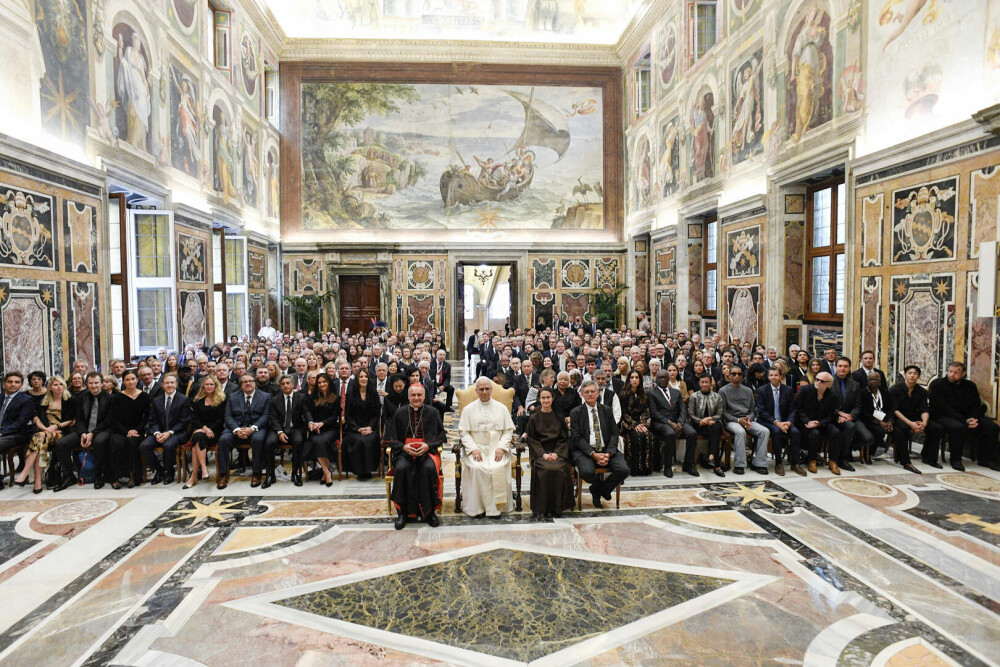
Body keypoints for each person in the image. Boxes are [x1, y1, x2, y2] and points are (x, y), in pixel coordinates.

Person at [385, 383, 445, 529]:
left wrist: (427, 446)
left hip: (427, 453)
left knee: (428, 468)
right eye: (413, 395)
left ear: (424, 396)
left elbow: (441, 435)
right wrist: (403, 447)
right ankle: (402, 513)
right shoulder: (400, 412)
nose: (416, 398)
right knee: (402, 468)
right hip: (404, 453)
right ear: (408, 397)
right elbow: (391, 438)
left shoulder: (433, 412)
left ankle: (430, 513)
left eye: (419, 395)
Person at [457, 377, 515, 518]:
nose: (484, 392)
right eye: (481, 389)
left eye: (487, 389)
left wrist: (501, 448)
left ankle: (497, 508)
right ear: (476, 391)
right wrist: (473, 449)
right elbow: (463, 432)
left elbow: (508, 431)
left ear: (491, 390)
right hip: (477, 448)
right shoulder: (468, 409)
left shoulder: (501, 408)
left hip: (497, 449)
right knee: (478, 468)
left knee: (497, 467)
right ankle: (477, 508)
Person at [928, 361, 1000, 471]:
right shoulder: (938, 384)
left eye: (956, 372)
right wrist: (964, 420)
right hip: (943, 415)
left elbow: (976, 405)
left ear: (963, 374)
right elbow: (943, 408)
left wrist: (973, 418)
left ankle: (986, 459)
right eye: (950, 371)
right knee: (957, 427)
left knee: (992, 427)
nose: (952, 374)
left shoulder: (970, 386)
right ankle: (956, 459)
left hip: (967, 416)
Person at [570, 380, 629, 508]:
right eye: (587, 392)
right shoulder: (576, 412)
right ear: (582, 395)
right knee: (586, 471)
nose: (590, 394)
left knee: (624, 470)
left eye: (592, 391)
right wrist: (593, 454)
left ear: (598, 393)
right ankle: (599, 487)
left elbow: (614, 433)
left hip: (606, 448)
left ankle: (600, 490)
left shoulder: (607, 410)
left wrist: (608, 453)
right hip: (585, 450)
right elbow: (577, 438)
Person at [53, 371, 113, 491]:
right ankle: (69, 476)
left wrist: (92, 433)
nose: (94, 386)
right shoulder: (81, 397)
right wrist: (83, 433)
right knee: (60, 444)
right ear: (86, 384)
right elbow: (78, 418)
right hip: (83, 430)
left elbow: (108, 420)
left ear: (102, 384)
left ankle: (98, 476)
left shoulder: (110, 398)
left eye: (96, 383)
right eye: (90, 383)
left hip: (102, 429)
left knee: (99, 442)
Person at [525, 386, 574, 517]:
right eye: (543, 398)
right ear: (539, 399)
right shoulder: (534, 418)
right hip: (541, 454)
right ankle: (542, 507)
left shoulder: (559, 417)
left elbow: (563, 439)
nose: (546, 400)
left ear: (552, 398)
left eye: (548, 397)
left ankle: (558, 507)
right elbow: (532, 439)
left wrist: (557, 453)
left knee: (559, 468)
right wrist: (543, 454)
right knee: (546, 469)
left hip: (558, 453)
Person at [18, 376, 73, 493]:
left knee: (39, 438)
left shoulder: (70, 400)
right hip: (45, 432)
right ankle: (38, 482)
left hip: (61, 432)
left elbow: (72, 420)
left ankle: (26, 472)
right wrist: (47, 430)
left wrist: (56, 427)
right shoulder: (43, 401)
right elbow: (37, 420)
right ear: (50, 387)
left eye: (61, 384)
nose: (59, 387)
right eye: (55, 385)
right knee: (40, 442)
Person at [217, 373, 270, 489]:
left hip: (256, 428)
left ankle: (256, 474)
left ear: (255, 383)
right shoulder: (233, 396)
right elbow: (228, 416)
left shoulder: (265, 396)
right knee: (223, 439)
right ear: (240, 385)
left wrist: (252, 428)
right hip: (236, 428)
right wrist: (236, 429)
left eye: (251, 381)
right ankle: (222, 474)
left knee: (258, 439)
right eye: (245, 382)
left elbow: (265, 416)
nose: (248, 383)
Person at [139, 373, 191, 485]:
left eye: (172, 382)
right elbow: (153, 420)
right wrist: (157, 433)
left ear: (176, 384)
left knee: (168, 445)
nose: (169, 385)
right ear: (162, 385)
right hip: (159, 432)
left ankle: (169, 471)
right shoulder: (157, 400)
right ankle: (159, 470)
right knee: (144, 446)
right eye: (167, 383)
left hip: (177, 432)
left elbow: (184, 421)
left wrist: (169, 433)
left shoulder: (183, 399)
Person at [889, 365, 943, 470]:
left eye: (915, 374)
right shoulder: (895, 389)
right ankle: (906, 462)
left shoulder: (921, 391)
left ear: (918, 376)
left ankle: (929, 458)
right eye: (910, 373)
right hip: (900, 418)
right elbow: (894, 410)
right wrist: (910, 423)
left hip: (916, 418)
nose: (912, 376)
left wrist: (924, 422)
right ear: (905, 375)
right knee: (901, 429)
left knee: (936, 428)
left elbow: (924, 409)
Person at [718, 366, 770, 475]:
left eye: (739, 374)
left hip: (747, 420)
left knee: (765, 431)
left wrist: (749, 419)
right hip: (732, 421)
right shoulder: (723, 390)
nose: (737, 376)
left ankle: (759, 463)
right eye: (734, 374)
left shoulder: (748, 390)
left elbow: (753, 410)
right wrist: (738, 420)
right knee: (740, 432)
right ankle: (740, 464)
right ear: (729, 375)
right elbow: (723, 412)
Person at [648, 369, 697, 477]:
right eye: (660, 377)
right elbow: (654, 413)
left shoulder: (676, 392)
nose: (663, 379)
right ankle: (668, 466)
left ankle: (688, 465)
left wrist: (680, 422)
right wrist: (670, 423)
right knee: (671, 434)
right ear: (656, 379)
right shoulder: (651, 393)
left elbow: (683, 409)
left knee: (692, 433)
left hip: (678, 421)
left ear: (668, 378)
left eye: (665, 377)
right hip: (661, 423)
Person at [857, 371, 909, 469]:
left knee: (898, 430)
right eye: (870, 380)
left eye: (875, 379)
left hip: (884, 418)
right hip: (869, 420)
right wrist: (879, 422)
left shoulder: (885, 392)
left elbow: (890, 408)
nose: (872, 382)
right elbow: (864, 412)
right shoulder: (863, 392)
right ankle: (869, 453)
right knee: (879, 431)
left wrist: (889, 421)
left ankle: (904, 459)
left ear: (880, 381)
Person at [183, 375, 228, 489]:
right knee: (198, 437)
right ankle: (203, 469)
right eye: (207, 384)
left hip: (216, 431)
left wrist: (209, 429)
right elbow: (195, 419)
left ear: (216, 386)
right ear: (203, 386)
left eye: (211, 384)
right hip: (202, 430)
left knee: (195, 445)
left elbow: (221, 419)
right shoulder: (198, 400)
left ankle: (194, 476)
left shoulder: (222, 399)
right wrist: (204, 428)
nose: (209, 386)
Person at [109, 370, 151, 488]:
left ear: (137, 380)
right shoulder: (116, 398)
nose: (130, 382)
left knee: (132, 442)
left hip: (137, 430)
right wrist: (125, 431)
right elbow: (114, 418)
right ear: (123, 381)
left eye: (133, 379)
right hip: (120, 430)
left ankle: (133, 476)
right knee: (116, 443)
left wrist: (136, 430)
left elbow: (146, 417)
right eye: (127, 379)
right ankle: (115, 477)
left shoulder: (144, 396)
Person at [792, 372, 841, 474]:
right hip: (805, 422)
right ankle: (812, 460)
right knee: (815, 433)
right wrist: (808, 421)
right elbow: (798, 409)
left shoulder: (832, 395)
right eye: (817, 379)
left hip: (822, 422)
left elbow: (831, 415)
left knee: (836, 432)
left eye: (822, 381)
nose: (818, 382)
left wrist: (819, 423)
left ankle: (832, 461)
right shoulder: (806, 390)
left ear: (829, 384)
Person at [756, 367, 801, 476]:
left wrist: (789, 422)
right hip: (768, 421)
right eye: (771, 375)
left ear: (781, 376)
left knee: (795, 432)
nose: (773, 377)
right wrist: (777, 422)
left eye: (776, 375)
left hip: (785, 421)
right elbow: (762, 411)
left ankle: (795, 463)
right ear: (768, 377)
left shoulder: (788, 390)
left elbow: (792, 409)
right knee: (776, 431)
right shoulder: (762, 390)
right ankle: (779, 462)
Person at [342, 368, 381, 480]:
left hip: (370, 427)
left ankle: (368, 469)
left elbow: (376, 414)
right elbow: (348, 416)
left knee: (370, 440)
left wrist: (369, 427)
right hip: (355, 428)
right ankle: (359, 471)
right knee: (358, 441)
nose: (364, 379)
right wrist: (358, 429)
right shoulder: (350, 394)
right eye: (361, 377)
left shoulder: (373, 393)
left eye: (366, 376)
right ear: (357, 379)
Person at [0, 372, 36, 483]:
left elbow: (21, 423)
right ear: (3, 384)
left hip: (16, 434)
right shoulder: (0, 398)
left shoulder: (26, 400)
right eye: (10, 382)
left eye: (16, 382)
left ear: (21, 385)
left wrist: (1, 432)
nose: (13, 384)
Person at [304, 373, 339, 487]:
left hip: (330, 428)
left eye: (324, 382)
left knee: (322, 441)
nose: (322, 384)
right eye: (319, 382)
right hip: (316, 428)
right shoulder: (312, 397)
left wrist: (322, 424)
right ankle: (327, 471)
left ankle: (325, 472)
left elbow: (334, 417)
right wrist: (312, 424)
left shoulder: (336, 397)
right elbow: (307, 412)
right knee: (315, 441)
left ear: (328, 382)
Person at [687, 375, 726, 476]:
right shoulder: (694, 396)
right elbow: (691, 414)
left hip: (713, 424)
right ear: (699, 383)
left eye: (706, 382)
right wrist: (702, 421)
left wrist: (709, 419)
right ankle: (716, 464)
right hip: (698, 425)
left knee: (716, 428)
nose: (704, 384)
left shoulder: (717, 396)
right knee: (716, 432)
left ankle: (712, 456)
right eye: (702, 382)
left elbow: (720, 414)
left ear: (710, 383)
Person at [619, 370, 653, 476]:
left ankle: (645, 468)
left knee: (647, 435)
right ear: (629, 379)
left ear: (640, 379)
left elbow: (646, 411)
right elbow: (623, 413)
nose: (634, 380)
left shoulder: (644, 394)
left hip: (641, 422)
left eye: (637, 377)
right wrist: (635, 425)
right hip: (628, 423)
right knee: (636, 436)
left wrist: (643, 424)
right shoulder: (623, 395)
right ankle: (634, 468)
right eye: (632, 377)